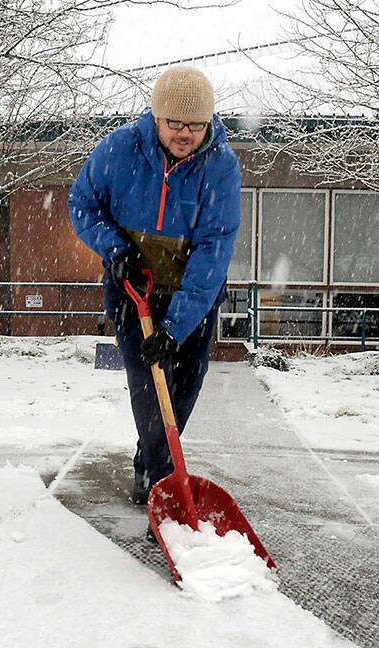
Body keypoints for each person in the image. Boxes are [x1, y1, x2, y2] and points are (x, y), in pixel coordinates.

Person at [68, 65, 242, 506]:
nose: (186, 134)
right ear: (157, 116)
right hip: (133, 291)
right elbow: (83, 205)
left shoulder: (220, 165)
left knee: (183, 388)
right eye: (176, 123)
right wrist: (115, 249)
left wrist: (175, 327)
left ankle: (152, 463)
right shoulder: (118, 150)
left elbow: (214, 247)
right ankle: (160, 482)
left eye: (197, 125)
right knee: (148, 390)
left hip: (192, 295)